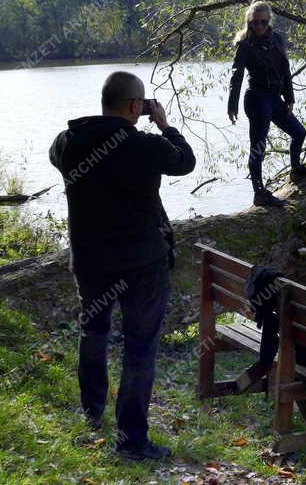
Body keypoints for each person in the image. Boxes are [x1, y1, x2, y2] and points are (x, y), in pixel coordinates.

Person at [49, 71, 196, 460]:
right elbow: (185, 162)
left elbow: (59, 154)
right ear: (136, 107)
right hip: (141, 263)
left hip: (91, 259)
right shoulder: (143, 144)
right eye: (140, 104)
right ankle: (131, 440)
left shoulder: (68, 143)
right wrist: (166, 125)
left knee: (94, 330)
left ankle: (92, 410)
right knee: (140, 347)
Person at [227, 0, 306, 207]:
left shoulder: (277, 39)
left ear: (269, 21)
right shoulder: (245, 44)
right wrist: (232, 104)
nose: (259, 26)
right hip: (257, 99)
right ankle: (259, 193)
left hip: (275, 98)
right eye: (255, 22)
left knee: (299, 133)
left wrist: (290, 98)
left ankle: (296, 169)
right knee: (258, 147)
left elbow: (285, 70)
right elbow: (236, 75)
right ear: (249, 21)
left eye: (263, 22)